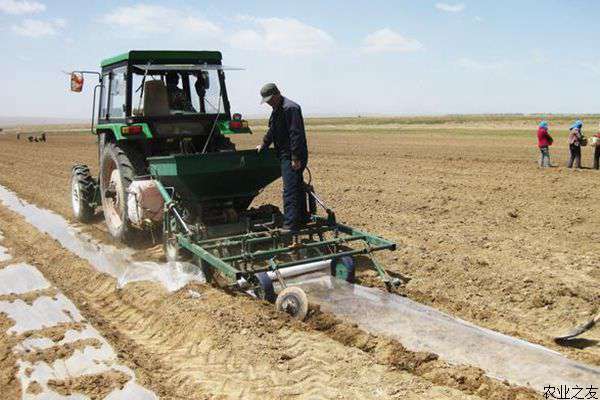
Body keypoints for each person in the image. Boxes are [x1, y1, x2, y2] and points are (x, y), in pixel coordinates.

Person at [256, 83, 309, 233]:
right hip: (286, 154)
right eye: (267, 101)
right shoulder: (277, 109)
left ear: (277, 94)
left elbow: (295, 134)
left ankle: (291, 225)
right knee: (296, 186)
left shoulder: (290, 108)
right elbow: (272, 130)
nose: (268, 103)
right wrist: (263, 145)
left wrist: (296, 157)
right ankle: (302, 218)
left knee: (290, 189)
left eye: (270, 99)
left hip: (292, 155)